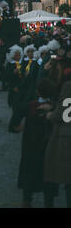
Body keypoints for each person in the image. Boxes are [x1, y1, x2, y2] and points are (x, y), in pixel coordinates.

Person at [10, 79, 58, 208]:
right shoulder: (56, 107)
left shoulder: (30, 105)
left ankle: (27, 200)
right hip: (49, 146)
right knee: (48, 175)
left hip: (30, 146)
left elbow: (15, 117)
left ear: (37, 91)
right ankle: (49, 203)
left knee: (29, 172)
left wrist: (16, 127)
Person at [43, 47, 71, 207]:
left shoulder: (68, 86)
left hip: (65, 137)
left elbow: (66, 114)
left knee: (65, 176)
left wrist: (50, 114)